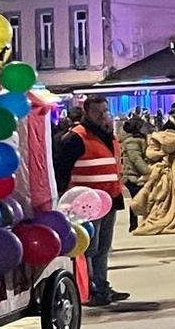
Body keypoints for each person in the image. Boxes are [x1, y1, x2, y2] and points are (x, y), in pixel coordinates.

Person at [55, 95, 129, 307]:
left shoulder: (110, 136)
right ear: (87, 113)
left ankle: (102, 286)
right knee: (90, 248)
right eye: (98, 112)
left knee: (104, 247)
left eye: (105, 111)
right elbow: (62, 170)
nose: (103, 115)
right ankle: (90, 289)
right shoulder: (76, 138)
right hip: (85, 204)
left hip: (109, 200)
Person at [130, 125, 175, 235]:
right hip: (159, 190)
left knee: (164, 206)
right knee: (156, 204)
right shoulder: (158, 164)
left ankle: (163, 219)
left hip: (172, 192)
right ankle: (158, 218)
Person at [118, 114, 151, 232]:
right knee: (137, 200)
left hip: (134, 175)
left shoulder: (135, 140)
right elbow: (136, 159)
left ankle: (135, 224)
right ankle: (134, 225)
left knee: (137, 199)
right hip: (133, 176)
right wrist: (148, 172)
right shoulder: (132, 142)